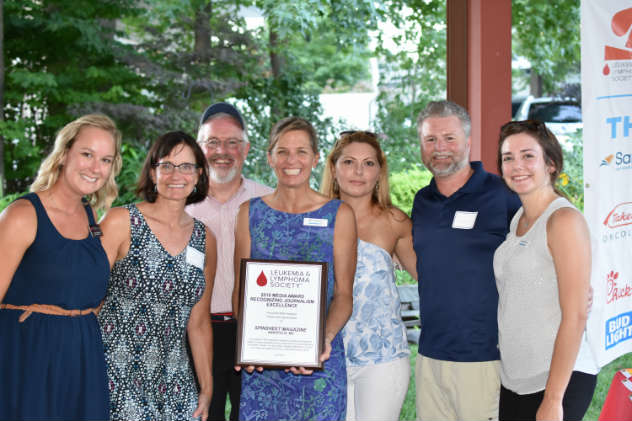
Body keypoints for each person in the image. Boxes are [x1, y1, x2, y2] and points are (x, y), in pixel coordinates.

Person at [233, 117, 357, 421]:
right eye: (282, 151)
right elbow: (241, 292)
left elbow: (343, 294)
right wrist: (250, 343)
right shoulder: (249, 213)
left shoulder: (339, 214)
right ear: (270, 157)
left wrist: (323, 340)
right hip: (263, 368)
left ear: (315, 158)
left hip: (320, 362)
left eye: (301, 152)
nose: (292, 160)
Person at [0, 114, 122, 420]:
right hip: (29, 358)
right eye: (87, 154)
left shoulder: (93, 218)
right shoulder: (23, 215)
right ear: (65, 153)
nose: (96, 168)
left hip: (84, 359)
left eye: (105, 159)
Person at [412, 100, 522, 421]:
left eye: (449, 138)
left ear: (468, 141)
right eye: (430, 139)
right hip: (430, 354)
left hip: (485, 356)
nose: (440, 148)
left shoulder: (503, 194)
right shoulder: (422, 201)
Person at [98, 131, 215, 421]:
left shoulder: (205, 238)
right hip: (114, 370)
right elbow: (89, 299)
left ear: (199, 174)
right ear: (153, 172)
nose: (177, 175)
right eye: (167, 165)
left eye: (187, 166)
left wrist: (207, 387)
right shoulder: (119, 221)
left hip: (175, 378)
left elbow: (198, 322)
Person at [494, 120, 597, 421]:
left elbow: (576, 315)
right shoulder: (519, 219)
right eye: (508, 158)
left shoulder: (563, 220)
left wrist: (553, 400)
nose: (517, 166)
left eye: (528, 156)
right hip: (515, 378)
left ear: (550, 163)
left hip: (556, 380)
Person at [320, 130, 417, 421]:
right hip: (325, 355)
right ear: (334, 169)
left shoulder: (395, 221)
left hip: (382, 358)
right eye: (349, 162)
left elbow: (432, 277)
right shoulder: (313, 220)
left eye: (369, 163)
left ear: (379, 172)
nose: (359, 171)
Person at [186, 102, 273, 421]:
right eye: (213, 142)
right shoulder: (178, 204)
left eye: (232, 143)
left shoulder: (268, 202)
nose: (223, 151)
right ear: (199, 148)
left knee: (252, 415)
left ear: (247, 149)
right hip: (194, 332)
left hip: (253, 331)